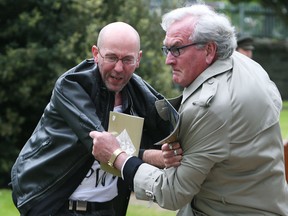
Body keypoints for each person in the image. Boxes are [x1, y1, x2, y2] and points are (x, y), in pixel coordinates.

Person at [90, 4, 288, 216]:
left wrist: (117, 157)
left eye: (177, 49)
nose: (168, 60)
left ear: (210, 50)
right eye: (167, 49)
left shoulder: (210, 106)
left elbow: (172, 193)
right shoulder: (245, 65)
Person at [10, 22, 182, 216]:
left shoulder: (141, 95)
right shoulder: (72, 85)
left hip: (107, 209)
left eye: (127, 60)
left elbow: (172, 127)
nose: (119, 68)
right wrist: (155, 157)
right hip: (56, 206)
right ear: (95, 53)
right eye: (111, 57)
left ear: (138, 59)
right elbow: (102, 144)